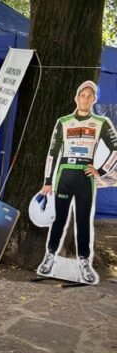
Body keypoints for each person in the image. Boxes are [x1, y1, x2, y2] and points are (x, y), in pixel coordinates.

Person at [37, 80, 117, 283]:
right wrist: (47, 180)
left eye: (90, 96)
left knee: (83, 222)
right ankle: (49, 256)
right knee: (59, 219)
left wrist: (100, 170)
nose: (86, 99)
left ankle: (84, 261)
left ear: (94, 100)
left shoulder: (101, 122)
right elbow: (52, 153)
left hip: (85, 177)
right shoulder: (63, 122)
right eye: (83, 95)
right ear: (76, 98)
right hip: (64, 174)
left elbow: (116, 149)